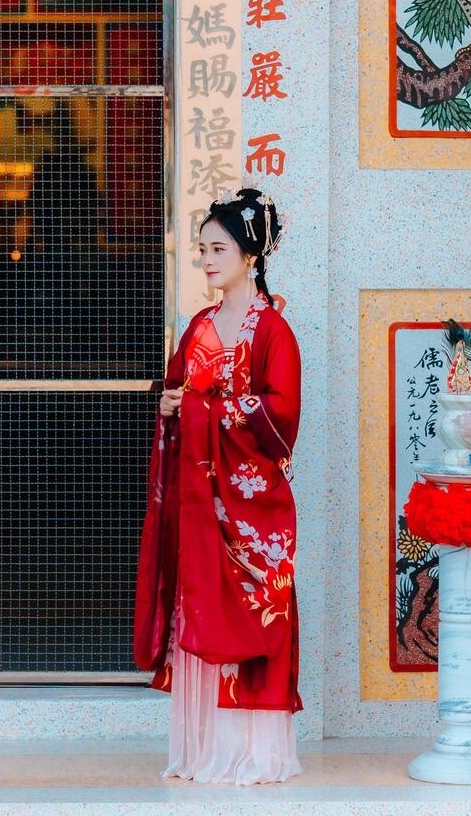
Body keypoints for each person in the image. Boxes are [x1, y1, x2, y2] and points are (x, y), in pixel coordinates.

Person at [132, 186, 304, 785]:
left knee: (258, 615)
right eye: (202, 249)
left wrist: (208, 408)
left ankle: (255, 754)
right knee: (199, 608)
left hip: (251, 509)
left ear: (250, 254)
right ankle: (203, 750)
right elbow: (178, 392)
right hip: (203, 503)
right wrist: (175, 403)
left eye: (217, 248)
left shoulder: (272, 331)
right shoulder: (200, 325)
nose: (206, 260)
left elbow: (281, 416)